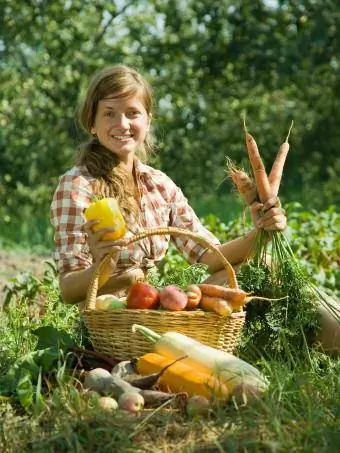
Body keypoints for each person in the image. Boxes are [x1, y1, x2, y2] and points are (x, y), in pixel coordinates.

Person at [50, 64, 287, 308]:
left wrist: (261, 233)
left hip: (157, 308)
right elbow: (69, 290)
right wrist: (106, 267)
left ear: (148, 120)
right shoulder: (78, 185)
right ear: (92, 123)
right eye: (109, 113)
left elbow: (208, 257)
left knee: (261, 265)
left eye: (132, 113)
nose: (122, 124)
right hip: (109, 323)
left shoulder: (160, 185)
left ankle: (322, 339)